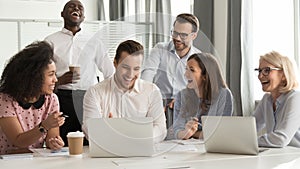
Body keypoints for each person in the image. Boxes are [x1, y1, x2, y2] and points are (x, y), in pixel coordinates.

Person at [44, 0, 115, 145]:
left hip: (88, 98)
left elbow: (110, 73)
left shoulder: (94, 41)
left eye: (80, 7)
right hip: (60, 98)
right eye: (71, 6)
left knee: (92, 143)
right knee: (62, 144)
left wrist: (107, 99)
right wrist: (59, 80)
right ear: (62, 14)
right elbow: (42, 75)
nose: (76, 8)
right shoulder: (50, 41)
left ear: (83, 17)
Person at [82, 40, 167, 143]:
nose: (130, 75)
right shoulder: (94, 92)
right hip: (106, 154)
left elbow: (160, 129)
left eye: (136, 69)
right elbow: (90, 130)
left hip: (141, 152)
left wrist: (138, 138)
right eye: (125, 67)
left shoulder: (152, 91)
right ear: (115, 64)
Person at [0, 41, 65, 155]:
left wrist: (54, 143)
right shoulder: (5, 99)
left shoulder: (52, 99)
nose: (56, 79)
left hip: (35, 160)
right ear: (33, 77)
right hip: (7, 161)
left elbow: (52, 138)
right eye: (51, 74)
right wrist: (44, 126)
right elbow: (18, 141)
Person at [141, 13, 201, 128]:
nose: (177, 38)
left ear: (193, 35)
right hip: (159, 104)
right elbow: (147, 76)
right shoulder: (160, 49)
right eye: (175, 33)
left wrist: (183, 98)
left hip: (185, 107)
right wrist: (153, 100)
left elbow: (200, 88)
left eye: (183, 35)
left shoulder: (199, 57)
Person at [172, 53, 233, 140]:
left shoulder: (224, 95)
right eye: (186, 69)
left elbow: (220, 132)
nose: (186, 74)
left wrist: (193, 133)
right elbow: (176, 130)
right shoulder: (182, 96)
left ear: (205, 76)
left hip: (214, 148)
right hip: (187, 149)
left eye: (192, 70)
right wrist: (186, 133)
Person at [253, 51, 300, 147]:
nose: (260, 76)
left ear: (283, 75)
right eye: (259, 71)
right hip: (282, 156)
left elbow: (281, 139)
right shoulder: (266, 100)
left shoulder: (295, 98)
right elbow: (250, 129)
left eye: (266, 70)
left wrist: (252, 142)